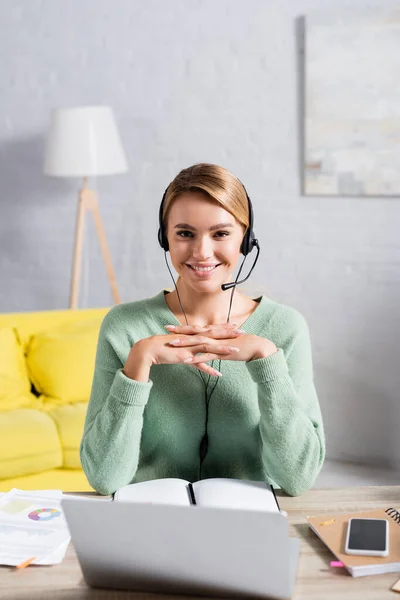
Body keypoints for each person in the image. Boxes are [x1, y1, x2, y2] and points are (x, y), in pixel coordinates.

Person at [80, 163, 325, 496]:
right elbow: (104, 478)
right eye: (185, 233)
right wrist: (138, 362)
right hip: (150, 524)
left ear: (246, 239)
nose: (202, 252)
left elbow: (298, 478)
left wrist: (266, 361)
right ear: (164, 237)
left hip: (246, 526)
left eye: (221, 233)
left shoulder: (285, 329)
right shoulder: (124, 326)